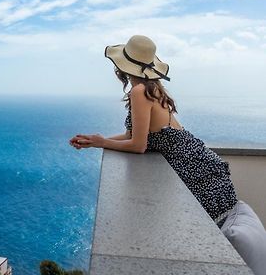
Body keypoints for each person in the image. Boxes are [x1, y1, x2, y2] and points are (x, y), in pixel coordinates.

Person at [69, 34, 238, 227]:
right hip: (197, 162)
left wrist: (103, 143)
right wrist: (95, 141)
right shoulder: (151, 87)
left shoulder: (139, 91)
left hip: (193, 171)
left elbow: (138, 145)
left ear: (121, 66)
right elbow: (131, 135)